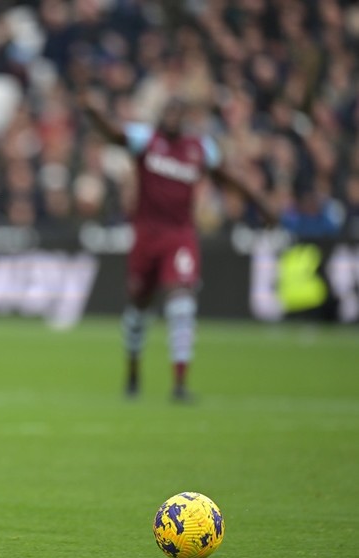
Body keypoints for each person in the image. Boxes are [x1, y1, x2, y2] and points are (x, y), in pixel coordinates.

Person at [79, 93, 275, 401]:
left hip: (180, 235)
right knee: (138, 306)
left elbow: (227, 177)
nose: (171, 116)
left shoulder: (200, 148)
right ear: (161, 115)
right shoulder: (146, 139)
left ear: (183, 118)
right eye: (167, 111)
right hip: (145, 235)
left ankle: (180, 382)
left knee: (181, 299)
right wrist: (94, 112)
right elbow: (115, 135)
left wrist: (259, 203)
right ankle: (132, 372)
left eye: (177, 112)